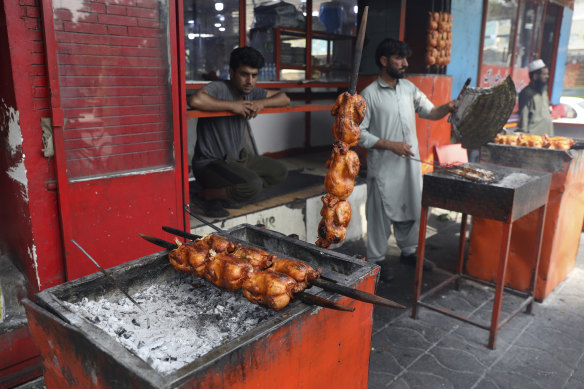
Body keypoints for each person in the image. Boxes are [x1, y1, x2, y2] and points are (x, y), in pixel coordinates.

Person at [358, 38, 457, 279]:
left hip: (408, 165)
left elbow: (431, 112)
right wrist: (390, 145)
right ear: (384, 61)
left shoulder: (408, 88)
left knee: (411, 206)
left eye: (405, 58)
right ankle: (376, 261)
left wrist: (449, 106)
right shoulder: (368, 95)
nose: (405, 63)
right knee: (379, 214)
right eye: (399, 58)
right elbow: (359, 134)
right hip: (383, 167)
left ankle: (409, 252)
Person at [188, 46, 291, 217]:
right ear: (232, 72)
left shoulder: (250, 91)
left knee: (279, 171)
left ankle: (229, 193)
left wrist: (262, 103)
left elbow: (284, 98)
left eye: (254, 75)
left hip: (238, 159)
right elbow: (195, 100)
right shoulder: (220, 88)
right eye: (244, 74)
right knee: (253, 184)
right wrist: (233, 106)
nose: (250, 80)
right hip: (210, 163)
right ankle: (205, 195)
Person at [517, 59, 553, 136]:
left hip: (548, 135)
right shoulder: (526, 93)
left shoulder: (543, 91)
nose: (547, 77)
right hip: (533, 137)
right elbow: (523, 117)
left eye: (547, 74)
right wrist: (523, 135)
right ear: (535, 76)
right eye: (544, 74)